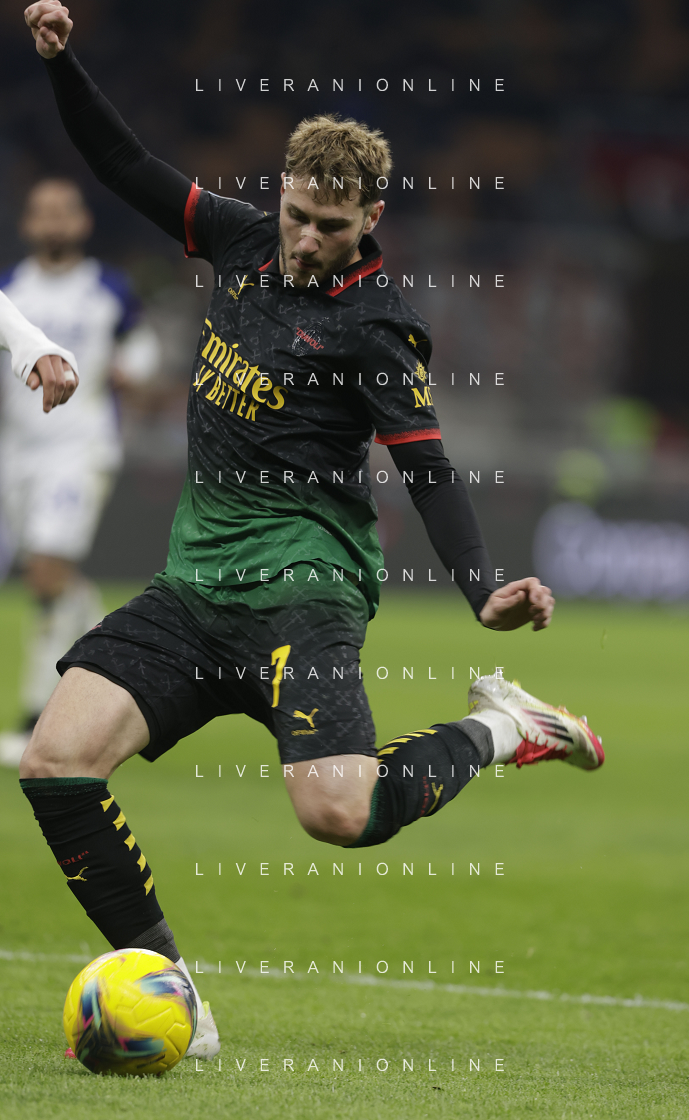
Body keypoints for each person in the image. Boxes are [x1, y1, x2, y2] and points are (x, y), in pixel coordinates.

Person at [20, 2, 604, 1062]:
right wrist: (63, 62)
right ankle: (178, 998)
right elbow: (122, 163)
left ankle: (501, 727)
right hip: (196, 587)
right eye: (295, 215)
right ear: (280, 195)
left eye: (329, 227)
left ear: (370, 216)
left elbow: (426, 466)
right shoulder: (239, 237)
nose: (303, 240)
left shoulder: (378, 327)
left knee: (337, 813)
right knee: (56, 761)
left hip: (305, 591)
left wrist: (482, 586)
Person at [0, 177, 160, 768]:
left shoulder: (108, 288)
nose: (54, 221)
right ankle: (92, 615)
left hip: (80, 446)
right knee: (48, 576)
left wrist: (132, 369)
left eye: (64, 211)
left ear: (83, 222)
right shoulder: (9, 289)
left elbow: (140, 343)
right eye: (43, 212)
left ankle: (34, 715)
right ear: (27, 223)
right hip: (16, 451)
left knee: (45, 570)